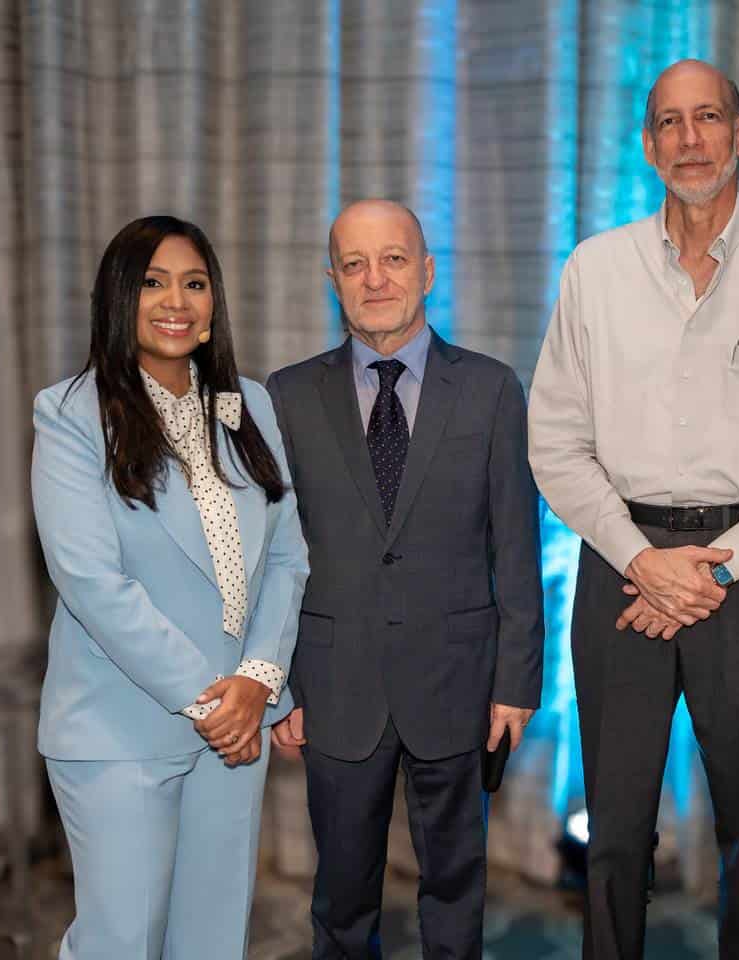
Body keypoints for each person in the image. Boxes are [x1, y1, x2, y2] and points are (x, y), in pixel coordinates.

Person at [529, 60, 739, 958]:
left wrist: (712, 565)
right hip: (621, 562)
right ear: (648, 146)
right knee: (615, 827)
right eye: (670, 124)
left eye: (707, 118)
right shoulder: (595, 271)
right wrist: (643, 560)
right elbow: (554, 441)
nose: (689, 139)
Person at [266, 199, 544, 960]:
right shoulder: (286, 397)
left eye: (393, 259)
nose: (375, 278)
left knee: (456, 886)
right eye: (354, 264)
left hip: (458, 682)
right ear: (334, 281)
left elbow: (516, 545)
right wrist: (280, 684)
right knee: (342, 896)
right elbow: (271, 556)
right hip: (332, 685)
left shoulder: (490, 390)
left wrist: (517, 680)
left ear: (426, 271)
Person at [31, 215, 309, 958]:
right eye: (152, 282)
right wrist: (213, 699)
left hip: (234, 728)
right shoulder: (70, 414)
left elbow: (286, 558)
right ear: (118, 298)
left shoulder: (249, 404)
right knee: (120, 943)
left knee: (213, 941)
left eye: (194, 282)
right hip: (120, 727)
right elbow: (92, 582)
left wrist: (257, 679)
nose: (176, 300)